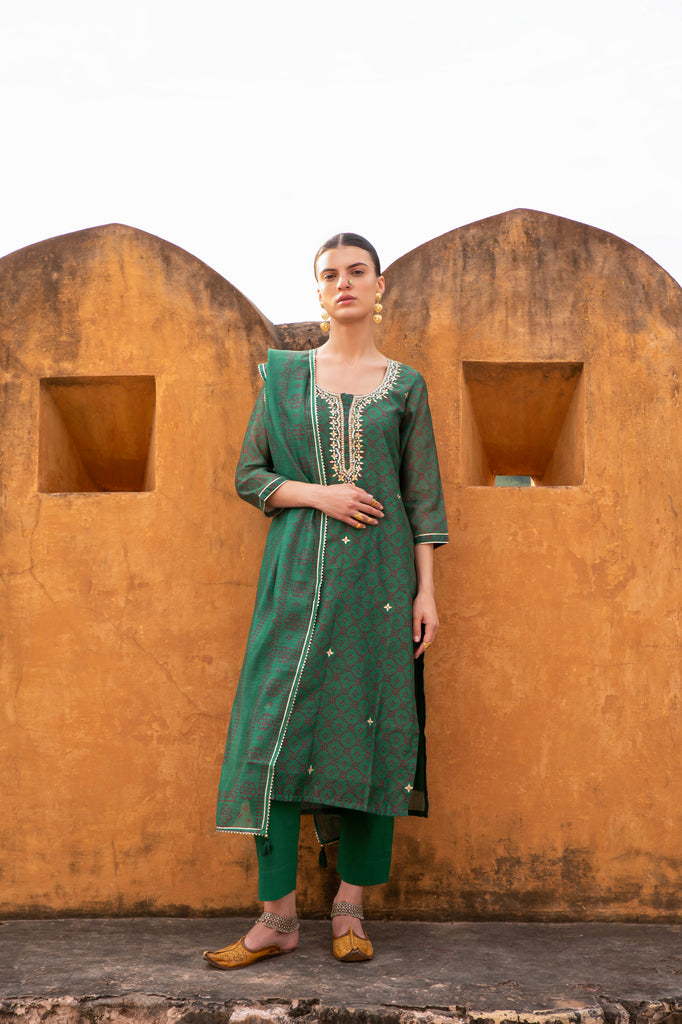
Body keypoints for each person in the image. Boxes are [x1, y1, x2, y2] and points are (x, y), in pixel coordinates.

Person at [203, 233, 448, 970]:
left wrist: (426, 593)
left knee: (372, 729)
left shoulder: (404, 385)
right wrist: (320, 494)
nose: (344, 283)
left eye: (357, 272)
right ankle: (276, 917)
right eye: (330, 274)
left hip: (379, 586)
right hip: (296, 580)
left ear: (379, 287)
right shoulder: (285, 377)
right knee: (272, 733)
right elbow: (251, 476)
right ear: (318, 292)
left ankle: (349, 909)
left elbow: (422, 497)